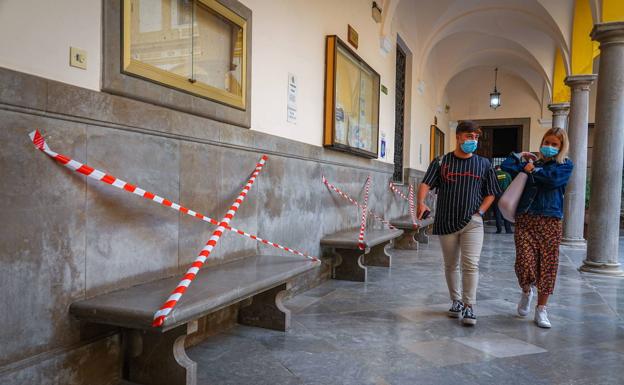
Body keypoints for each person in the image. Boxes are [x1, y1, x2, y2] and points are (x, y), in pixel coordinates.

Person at [417, 121, 500, 326]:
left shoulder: (484, 164)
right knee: (451, 264)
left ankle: (469, 305)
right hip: (446, 219)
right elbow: (426, 183)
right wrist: (420, 202)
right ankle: (456, 301)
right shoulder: (441, 162)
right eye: (469, 136)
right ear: (458, 137)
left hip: (472, 222)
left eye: (475, 137)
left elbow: (491, 193)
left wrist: (479, 212)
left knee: (471, 264)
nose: (472, 140)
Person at [501, 127, 573, 328]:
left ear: (561, 147)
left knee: (548, 266)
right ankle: (526, 291)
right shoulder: (532, 163)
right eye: (547, 142)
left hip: (550, 220)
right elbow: (506, 167)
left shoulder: (565, 165)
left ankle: (541, 310)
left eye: (554, 144)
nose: (549, 147)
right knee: (524, 261)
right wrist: (520, 156)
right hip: (526, 218)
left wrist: (533, 171)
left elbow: (552, 181)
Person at [494, 165, 513, 234]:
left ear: (495, 169)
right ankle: (508, 230)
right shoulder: (507, 174)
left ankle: (499, 230)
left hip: (496, 195)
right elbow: (511, 185)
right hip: (506, 195)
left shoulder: (493, 175)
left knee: (497, 212)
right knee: (505, 212)